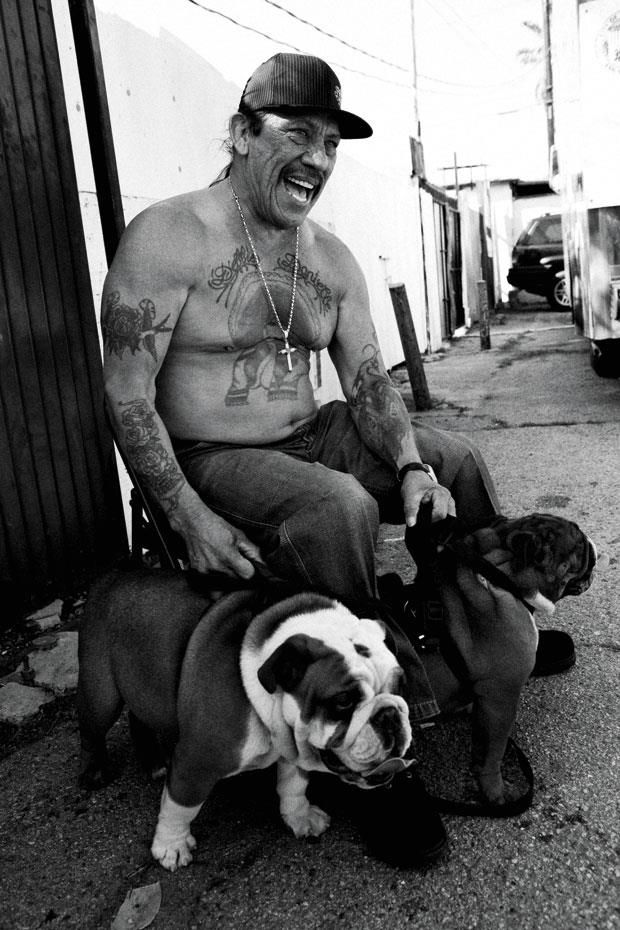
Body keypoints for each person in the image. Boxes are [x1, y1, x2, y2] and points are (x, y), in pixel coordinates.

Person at [101, 53, 574, 866]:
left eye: (330, 141)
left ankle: (488, 624)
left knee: (453, 458)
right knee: (339, 507)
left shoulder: (329, 257)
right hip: (216, 455)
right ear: (244, 132)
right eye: (298, 134)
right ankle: (376, 756)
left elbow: (367, 384)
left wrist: (414, 464)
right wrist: (189, 514)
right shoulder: (170, 236)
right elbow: (126, 394)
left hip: (313, 431)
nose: (318, 158)